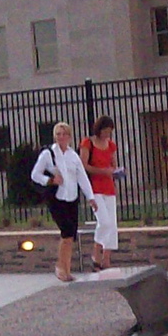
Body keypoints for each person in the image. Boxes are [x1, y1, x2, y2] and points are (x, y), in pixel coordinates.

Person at [31, 122, 94, 282]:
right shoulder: (48, 154)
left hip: (72, 198)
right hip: (57, 198)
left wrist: (91, 197)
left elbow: (82, 177)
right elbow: (35, 174)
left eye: (63, 134)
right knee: (66, 232)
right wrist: (50, 180)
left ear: (69, 137)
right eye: (58, 134)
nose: (61, 137)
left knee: (71, 236)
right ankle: (61, 267)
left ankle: (66, 269)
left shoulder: (74, 156)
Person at [79, 115, 121, 270]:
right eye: (105, 131)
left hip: (109, 187)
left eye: (109, 132)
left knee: (112, 224)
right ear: (99, 129)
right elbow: (84, 165)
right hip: (95, 187)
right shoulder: (88, 143)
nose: (107, 134)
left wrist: (115, 172)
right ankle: (96, 251)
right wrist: (102, 171)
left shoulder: (110, 145)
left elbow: (113, 164)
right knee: (104, 221)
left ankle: (106, 258)